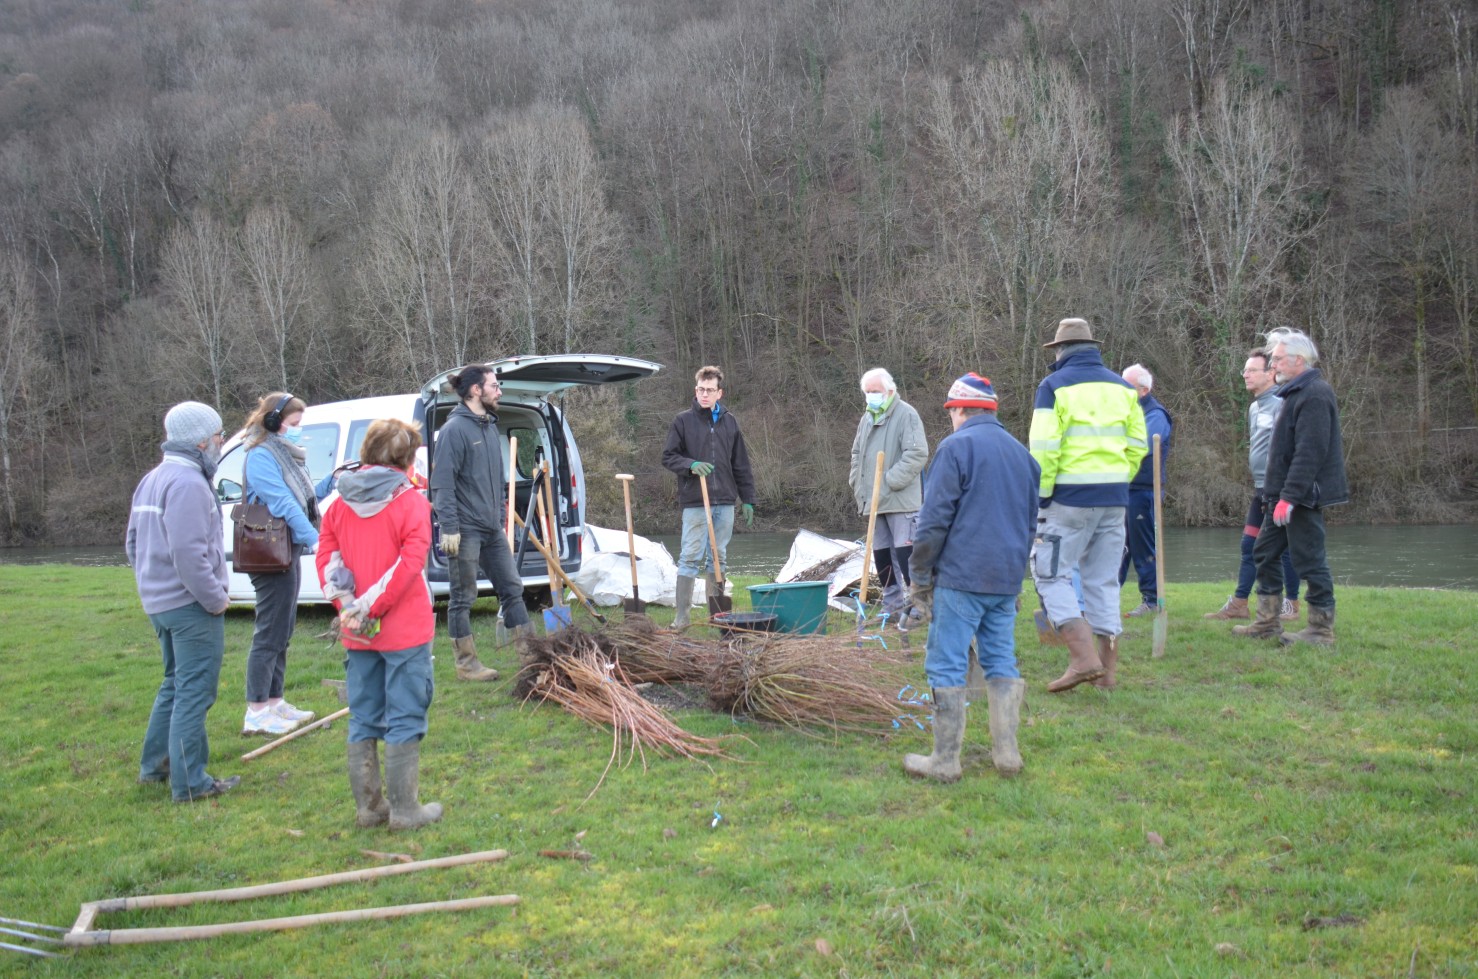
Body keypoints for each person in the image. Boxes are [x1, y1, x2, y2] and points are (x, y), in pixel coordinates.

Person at [905, 374, 1039, 781]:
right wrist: (1016, 577)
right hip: (1006, 579)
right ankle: (1008, 755)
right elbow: (1029, 524)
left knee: (945, 663)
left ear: (960, 410)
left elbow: (933, 521)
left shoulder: (955, 448)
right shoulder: (1023, 455)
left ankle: (944, 761)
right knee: (1001, 660)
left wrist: (920, 574)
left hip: (961, 577)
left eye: (952, 412)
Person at [318, 419, 442, 830]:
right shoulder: (412, 504)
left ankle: (369, 808)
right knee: (406, 713)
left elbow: (328, 563)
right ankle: (405, 811)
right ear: (407, 459)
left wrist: (349, 607)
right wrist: (369, 606)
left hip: (357, 629)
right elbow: (409, 568)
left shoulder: (337, 505)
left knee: (364, 715)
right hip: (402, 628)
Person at [128, 401, 240, 802]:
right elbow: (189, 554)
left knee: (174, 684)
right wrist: (214, 599)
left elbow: (132, 544)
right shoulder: (189, 484)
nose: (222, 442)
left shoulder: (153, 478)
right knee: (194, 691)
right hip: (190, 606)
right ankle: (190, 782)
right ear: (200, 442)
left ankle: (156, 767)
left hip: (159, 604)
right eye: (218, 436)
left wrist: (151, 587)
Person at [1028, 318, 1147, 692]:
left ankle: (1082, 659)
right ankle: (1107, 675)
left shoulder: (1053, 386)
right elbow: (1138, 446)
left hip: (1067, 498)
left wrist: (1042, 494)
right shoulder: (1123, 388)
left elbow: (1044, 448)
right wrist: (1116, 482)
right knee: (1103, 583)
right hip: (1114, 499)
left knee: (1049, 574)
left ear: (1059, 351)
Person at [1232, 328, 1347, 645]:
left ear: (1299, 360)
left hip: (1302, 499)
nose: (1274, 366)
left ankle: (1321, 630)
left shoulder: (1315, 395)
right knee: (1264, 553)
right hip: (1279, 497)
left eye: (1279, 360)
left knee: (1310, 560)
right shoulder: (1293, 394)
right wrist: (1275, 496)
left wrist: (1289, 498)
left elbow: (1309, 454)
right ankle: (1267, 622)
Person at [429, 365, 533, 681]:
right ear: (476, 390)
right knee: (462, 596)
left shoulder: (488, 427)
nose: (498, 391)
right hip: (464, 529)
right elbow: (441, 484)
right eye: (494, 385)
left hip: (490, 527)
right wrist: (448, 527)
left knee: (512, 588)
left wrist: (501, 517)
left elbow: (498, 481)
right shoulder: (454, 431)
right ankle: (466, 664)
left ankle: (531, 655)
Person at [240, 393, 331, 736]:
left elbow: (303, 498)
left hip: (286, 550)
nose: (298, 431)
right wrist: (315, 539)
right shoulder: (262, 456)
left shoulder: (285, 455)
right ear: (276, 421)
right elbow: (282, 503)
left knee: (284, 629)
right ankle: (257, 711)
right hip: (268, 554)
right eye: (294, 424)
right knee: (269, 633)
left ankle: (275, 701)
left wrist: (329, 482)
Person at [1204, 349, 1301, 621]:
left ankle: (1291, 604)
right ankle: (1239, 603)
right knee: (1249, 544)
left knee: (1283, 548)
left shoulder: (1283, 403)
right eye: (1244, 370)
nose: (1245, 374)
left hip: (1281, 489)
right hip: (1260, 489)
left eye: (1251, 370)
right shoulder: (1253, 407)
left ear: (1271, 373)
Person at [660, 365, 757, 627]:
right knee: (690, 556)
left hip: (725, 499)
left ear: (719, 393)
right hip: (695, 500)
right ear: (696, 390)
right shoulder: (683, 421)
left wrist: (747, 498)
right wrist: (690, 465)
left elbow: (741, 463)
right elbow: (668, 456)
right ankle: (682, 616)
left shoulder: (730, 421)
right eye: (701, 389)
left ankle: (716, 614)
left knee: (718, 555)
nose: (704, 394)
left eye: (710, 390)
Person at [849, 368, 929, 629]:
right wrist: (857, 482)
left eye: (875, 391)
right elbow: (857, 454)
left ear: (890, 391)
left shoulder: (906, 414)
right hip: (873, 502)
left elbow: (917, 454)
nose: (871, 396)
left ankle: (919, 606)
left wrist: (889, 481)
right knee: (882, 557)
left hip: (900, 500)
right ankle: (892, 606)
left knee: (908, 556)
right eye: (868, 392)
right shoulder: (866, 419)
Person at [1119, 364, 1173, 618]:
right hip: (1124, 489)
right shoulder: (1126, 412)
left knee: (1142, 547)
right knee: (1118, 547)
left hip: (1144, 491)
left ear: (1143, 390)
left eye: (1126, 386)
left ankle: (1151, 599)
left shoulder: (1155, 414)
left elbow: (1144, 445)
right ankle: (1104, 598)